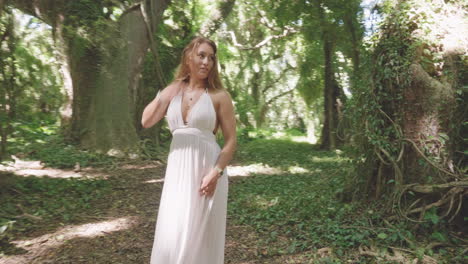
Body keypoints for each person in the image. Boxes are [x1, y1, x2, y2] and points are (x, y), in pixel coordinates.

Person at [141, 36, 237, 264]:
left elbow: (231, 140)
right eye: (201, 55)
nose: (206, 62)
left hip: (207, 172)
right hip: (177, 174)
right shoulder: (174, 92)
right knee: (172, 232)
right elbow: (146, 121)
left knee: (200, 240)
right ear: (188, 57)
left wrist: (216, 172)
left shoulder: (219, 96)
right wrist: (171, 88)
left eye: (211, 58)